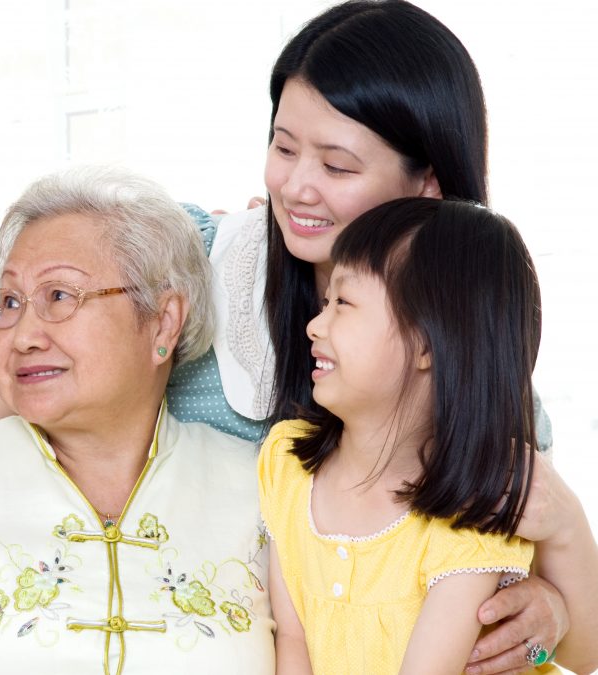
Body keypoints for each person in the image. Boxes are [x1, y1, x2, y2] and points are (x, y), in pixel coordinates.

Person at [164, 1, 598, 671]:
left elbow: (577, 645)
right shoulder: (195, 263)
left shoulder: (470, 376)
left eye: (337, 166)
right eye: (282, 147)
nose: (296, 187)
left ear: (429, 188)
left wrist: (553, 595)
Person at [0, 167, 275, 674]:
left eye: (60, 296)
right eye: (10, 302)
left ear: (163, 320)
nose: (23, 334)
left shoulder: (264, 487)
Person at [259, 197, 581, 673]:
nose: (314, 324)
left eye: (343, 303)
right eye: (326, 301)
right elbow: (293, 641)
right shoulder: (286, 462)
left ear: (427, 344)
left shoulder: (473, 508)